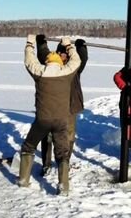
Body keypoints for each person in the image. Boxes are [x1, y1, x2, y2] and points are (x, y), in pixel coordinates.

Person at [18, 35, 81, 196]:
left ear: (47, 62)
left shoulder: (40, 73)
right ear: (60, 63)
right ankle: (64, 186)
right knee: (62, 153)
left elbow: (29, 60)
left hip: (42, 121)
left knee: (29, 146)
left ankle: (23, 179)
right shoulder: (66, 74)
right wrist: (69, 45)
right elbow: (76, 61)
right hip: (61, 121)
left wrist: (30, 43)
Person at [35, 34, 88, 176]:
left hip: (70, 108)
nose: (61, 56)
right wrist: (41, 43)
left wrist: (81, 47)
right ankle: (46, 164)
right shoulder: (50, 66)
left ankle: (64, 163)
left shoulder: (74, 68)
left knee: (68, 137)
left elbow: (82, 59)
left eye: (64, 53)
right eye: (59, 53)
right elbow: (42, 55)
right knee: (47, 136)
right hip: (51, 108)